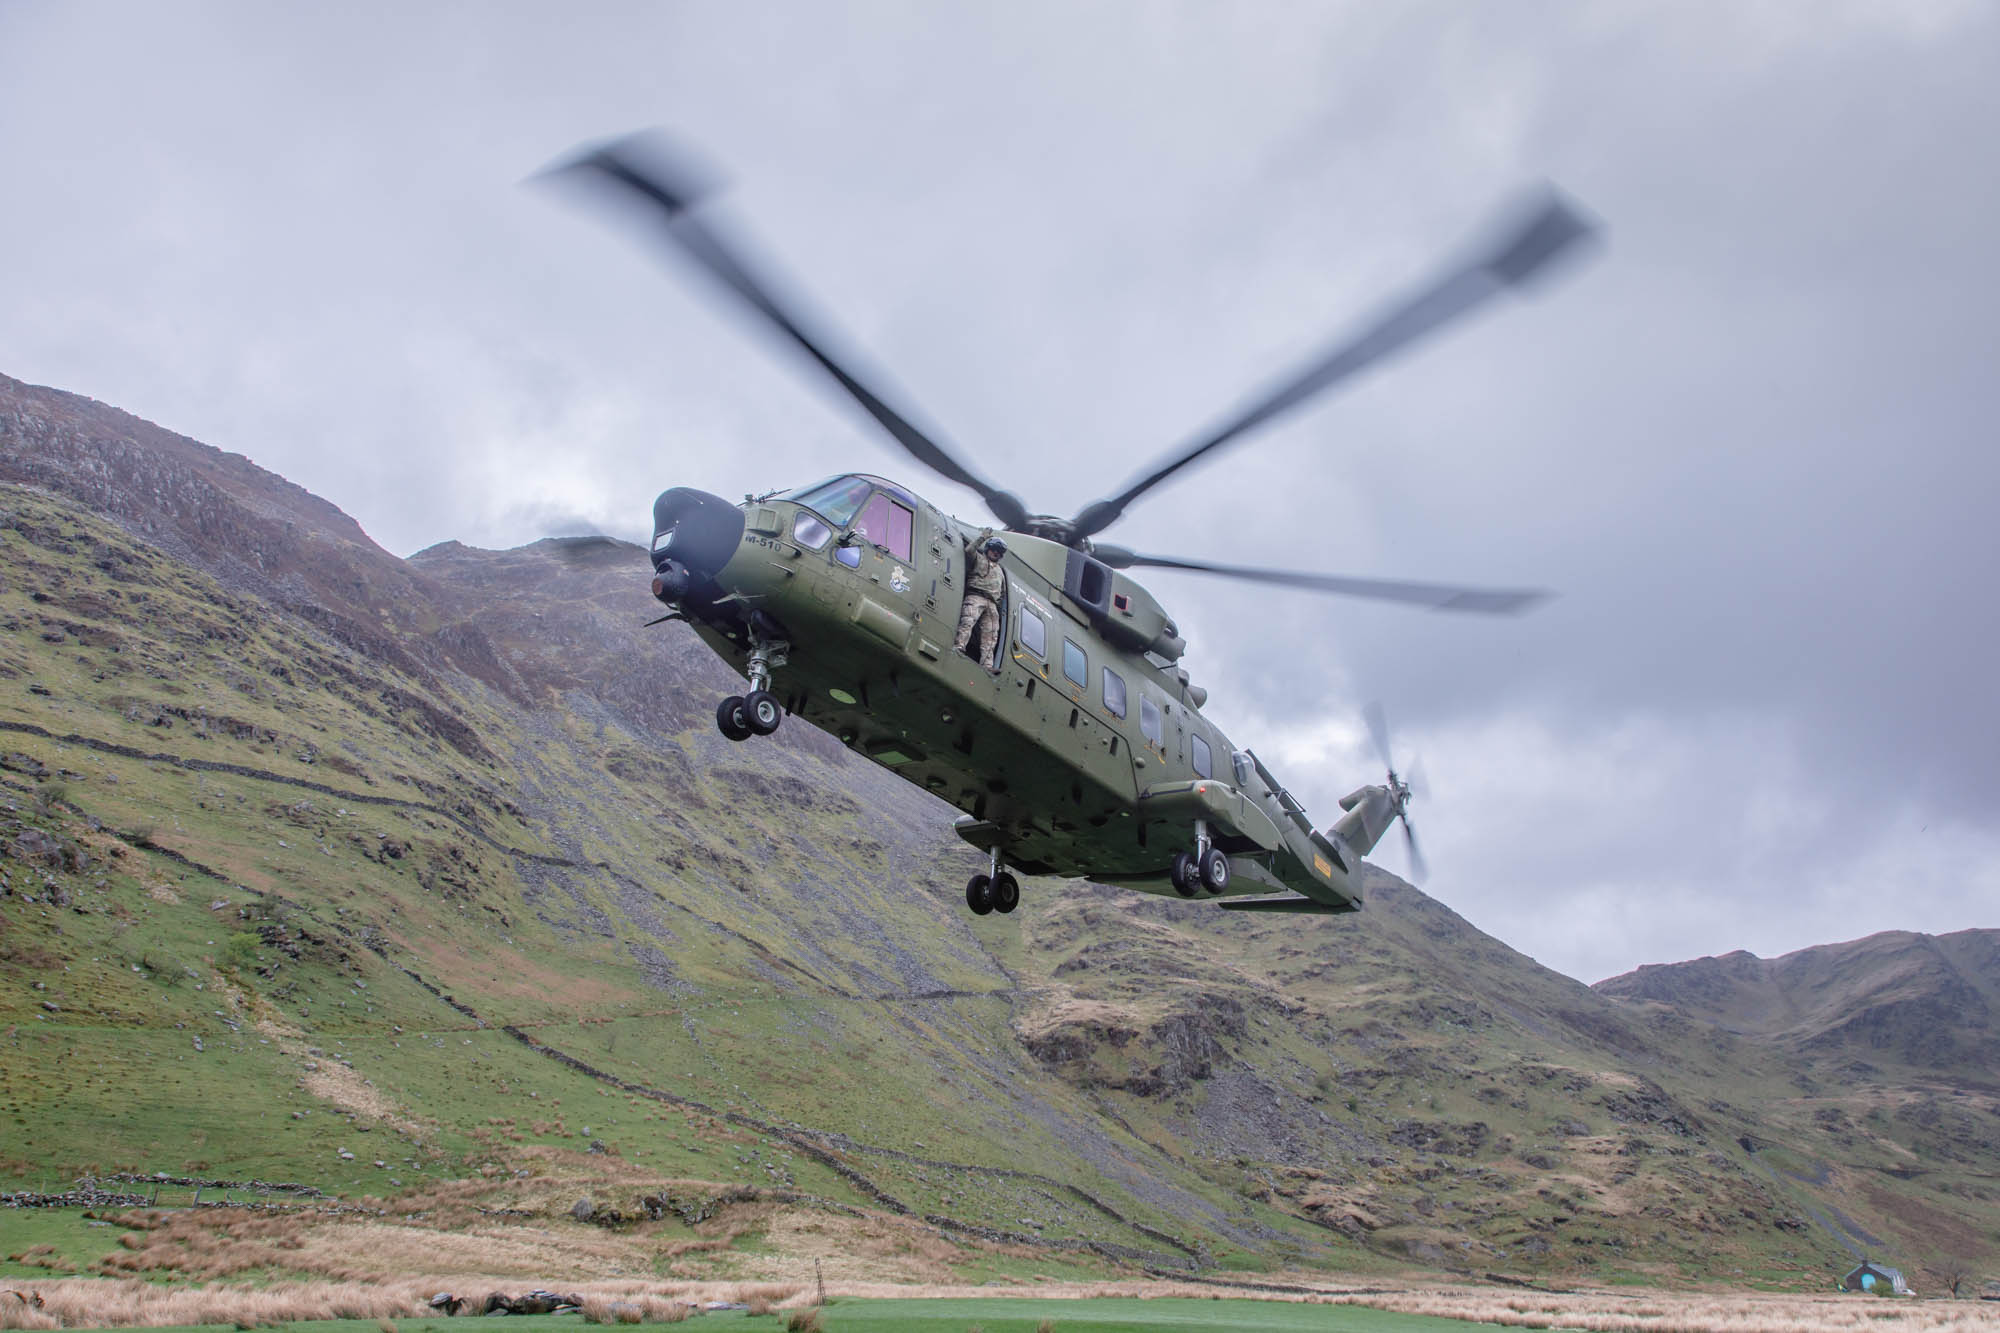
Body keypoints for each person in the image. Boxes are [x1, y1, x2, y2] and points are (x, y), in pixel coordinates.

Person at [953, 533, 1007, 667]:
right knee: (967, 622)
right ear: (988, 548)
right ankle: (960, 646)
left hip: (992, 604)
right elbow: (969, 550)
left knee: (991, 634)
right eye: (994, 549)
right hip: (976, 596)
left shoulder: (1000, 571)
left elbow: (1003, 592)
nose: (996, 553)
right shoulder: (979, 558)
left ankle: (987, 665)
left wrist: (996, 603)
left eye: (999, 552)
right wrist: (982, 537)